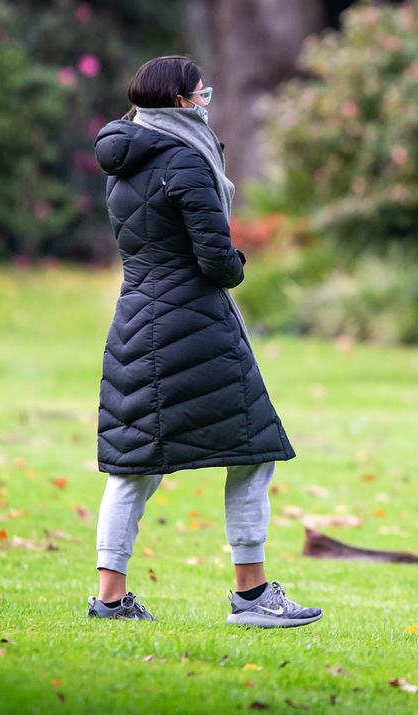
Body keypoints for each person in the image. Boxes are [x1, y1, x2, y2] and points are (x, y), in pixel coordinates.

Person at [88, 55, 320, 627]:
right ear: (183, 101)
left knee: (134, 466)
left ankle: (109, 598)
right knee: (252, 453)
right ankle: (252, 595)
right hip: (195, 323)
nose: (208, 101)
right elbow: (216, 261)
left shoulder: (123, 160)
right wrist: (238, 263)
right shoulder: (187, 160)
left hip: (135, 320)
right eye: (202, 93)